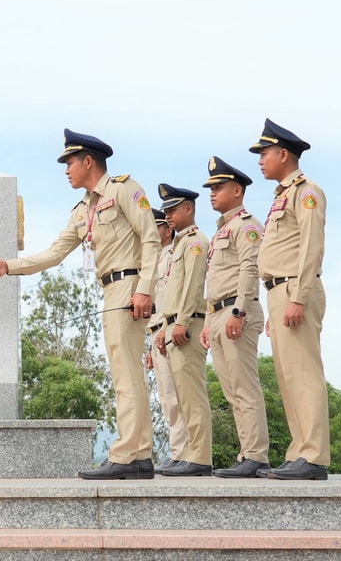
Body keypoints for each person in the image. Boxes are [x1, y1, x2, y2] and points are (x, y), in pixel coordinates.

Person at [0, 129, 159, 480]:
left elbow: (151, 238)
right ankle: (140, 455)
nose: (66, 170)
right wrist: (8, 266)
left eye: (69, 162)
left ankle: (127, 454)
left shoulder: (124, 189)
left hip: (129, 287)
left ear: (88, 161)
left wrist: (145, 288)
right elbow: (54, 254)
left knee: (127, 378)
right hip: (111, 291)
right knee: (127, 376)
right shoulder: (84, 208)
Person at [250, 119, 328, 480]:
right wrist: (277, 302)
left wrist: (297, 297)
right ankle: (300, 451)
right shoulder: (282, 195)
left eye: (264, 153)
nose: (260, 160)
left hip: (297, 288)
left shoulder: (305, 191)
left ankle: (313, 456)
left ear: (284, 154)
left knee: (304, 373)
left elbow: (311, 248)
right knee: (287, 376)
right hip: (279, 292)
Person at [199, 157, 270, 478]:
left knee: (245, 387)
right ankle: (247, 454)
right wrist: (207, 321)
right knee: (232, 391)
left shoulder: (247, 225)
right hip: (217, 314)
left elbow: (250, 269)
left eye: (219, 187)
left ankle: (257, 455)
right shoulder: (223, 230)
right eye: (211, 188)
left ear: (237, 190)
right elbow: (215, 278)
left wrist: (239, 310)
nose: (212, 193)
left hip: (237, 311)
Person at [153, 184, 212, 477]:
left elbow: (192, 287)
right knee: (182, 396)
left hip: (187, 324)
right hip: (175, 323)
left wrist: (182, 322)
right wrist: (166, 326)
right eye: (165, 210)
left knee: (192, 394)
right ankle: (189, 453)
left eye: (173, 209)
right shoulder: (178, 246)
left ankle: (199, 457)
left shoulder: (195, 241)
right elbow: (171, 293)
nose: (168, 215)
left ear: (189, 208)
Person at [145, 209, 188, 474]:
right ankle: (177, 451)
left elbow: (176, 297)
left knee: (177, 397)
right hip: (155, 332)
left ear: (166, 230)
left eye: (155, 226)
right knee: (165, 398)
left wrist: (167, 329)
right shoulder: (152, 258)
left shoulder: (175, 254)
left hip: (169, 330)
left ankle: (184, 453)